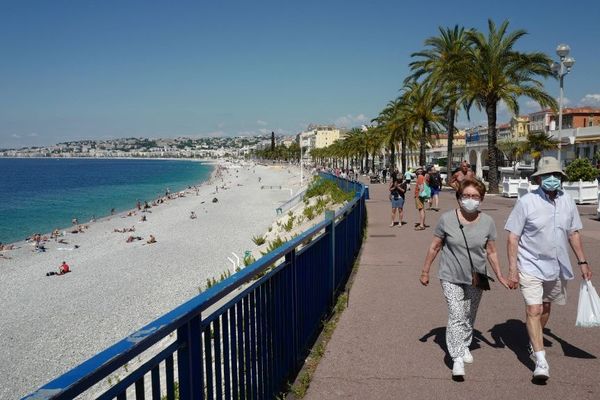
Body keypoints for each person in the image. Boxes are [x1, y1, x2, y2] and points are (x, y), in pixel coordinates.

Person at [504, 156, 592, 381]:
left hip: (556, 266)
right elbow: (513, 237)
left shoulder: (568, 201)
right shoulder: (526, 202)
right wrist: (513, 269)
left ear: (561, 178)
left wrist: (583, 262)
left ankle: (536, 339)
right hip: (530, 264)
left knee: (545, 307)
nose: (551, 179)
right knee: (533, 310)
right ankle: (541, 361)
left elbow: (573, 233)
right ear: (539, 178)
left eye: (555, 175)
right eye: (546, 175)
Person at [420, 178, 509, 379]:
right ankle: (457, 357)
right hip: (450, 275)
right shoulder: (446, 219)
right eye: (466, 196)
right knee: (457, 314)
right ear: (459, 197)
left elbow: (492, 252)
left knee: (469, 314)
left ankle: (465, 343)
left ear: (481, 199)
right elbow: (435, 246)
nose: (470, 199)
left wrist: (500, 275)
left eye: (475, 196)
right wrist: (425, 271)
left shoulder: (488, 222)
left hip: (476, 277)